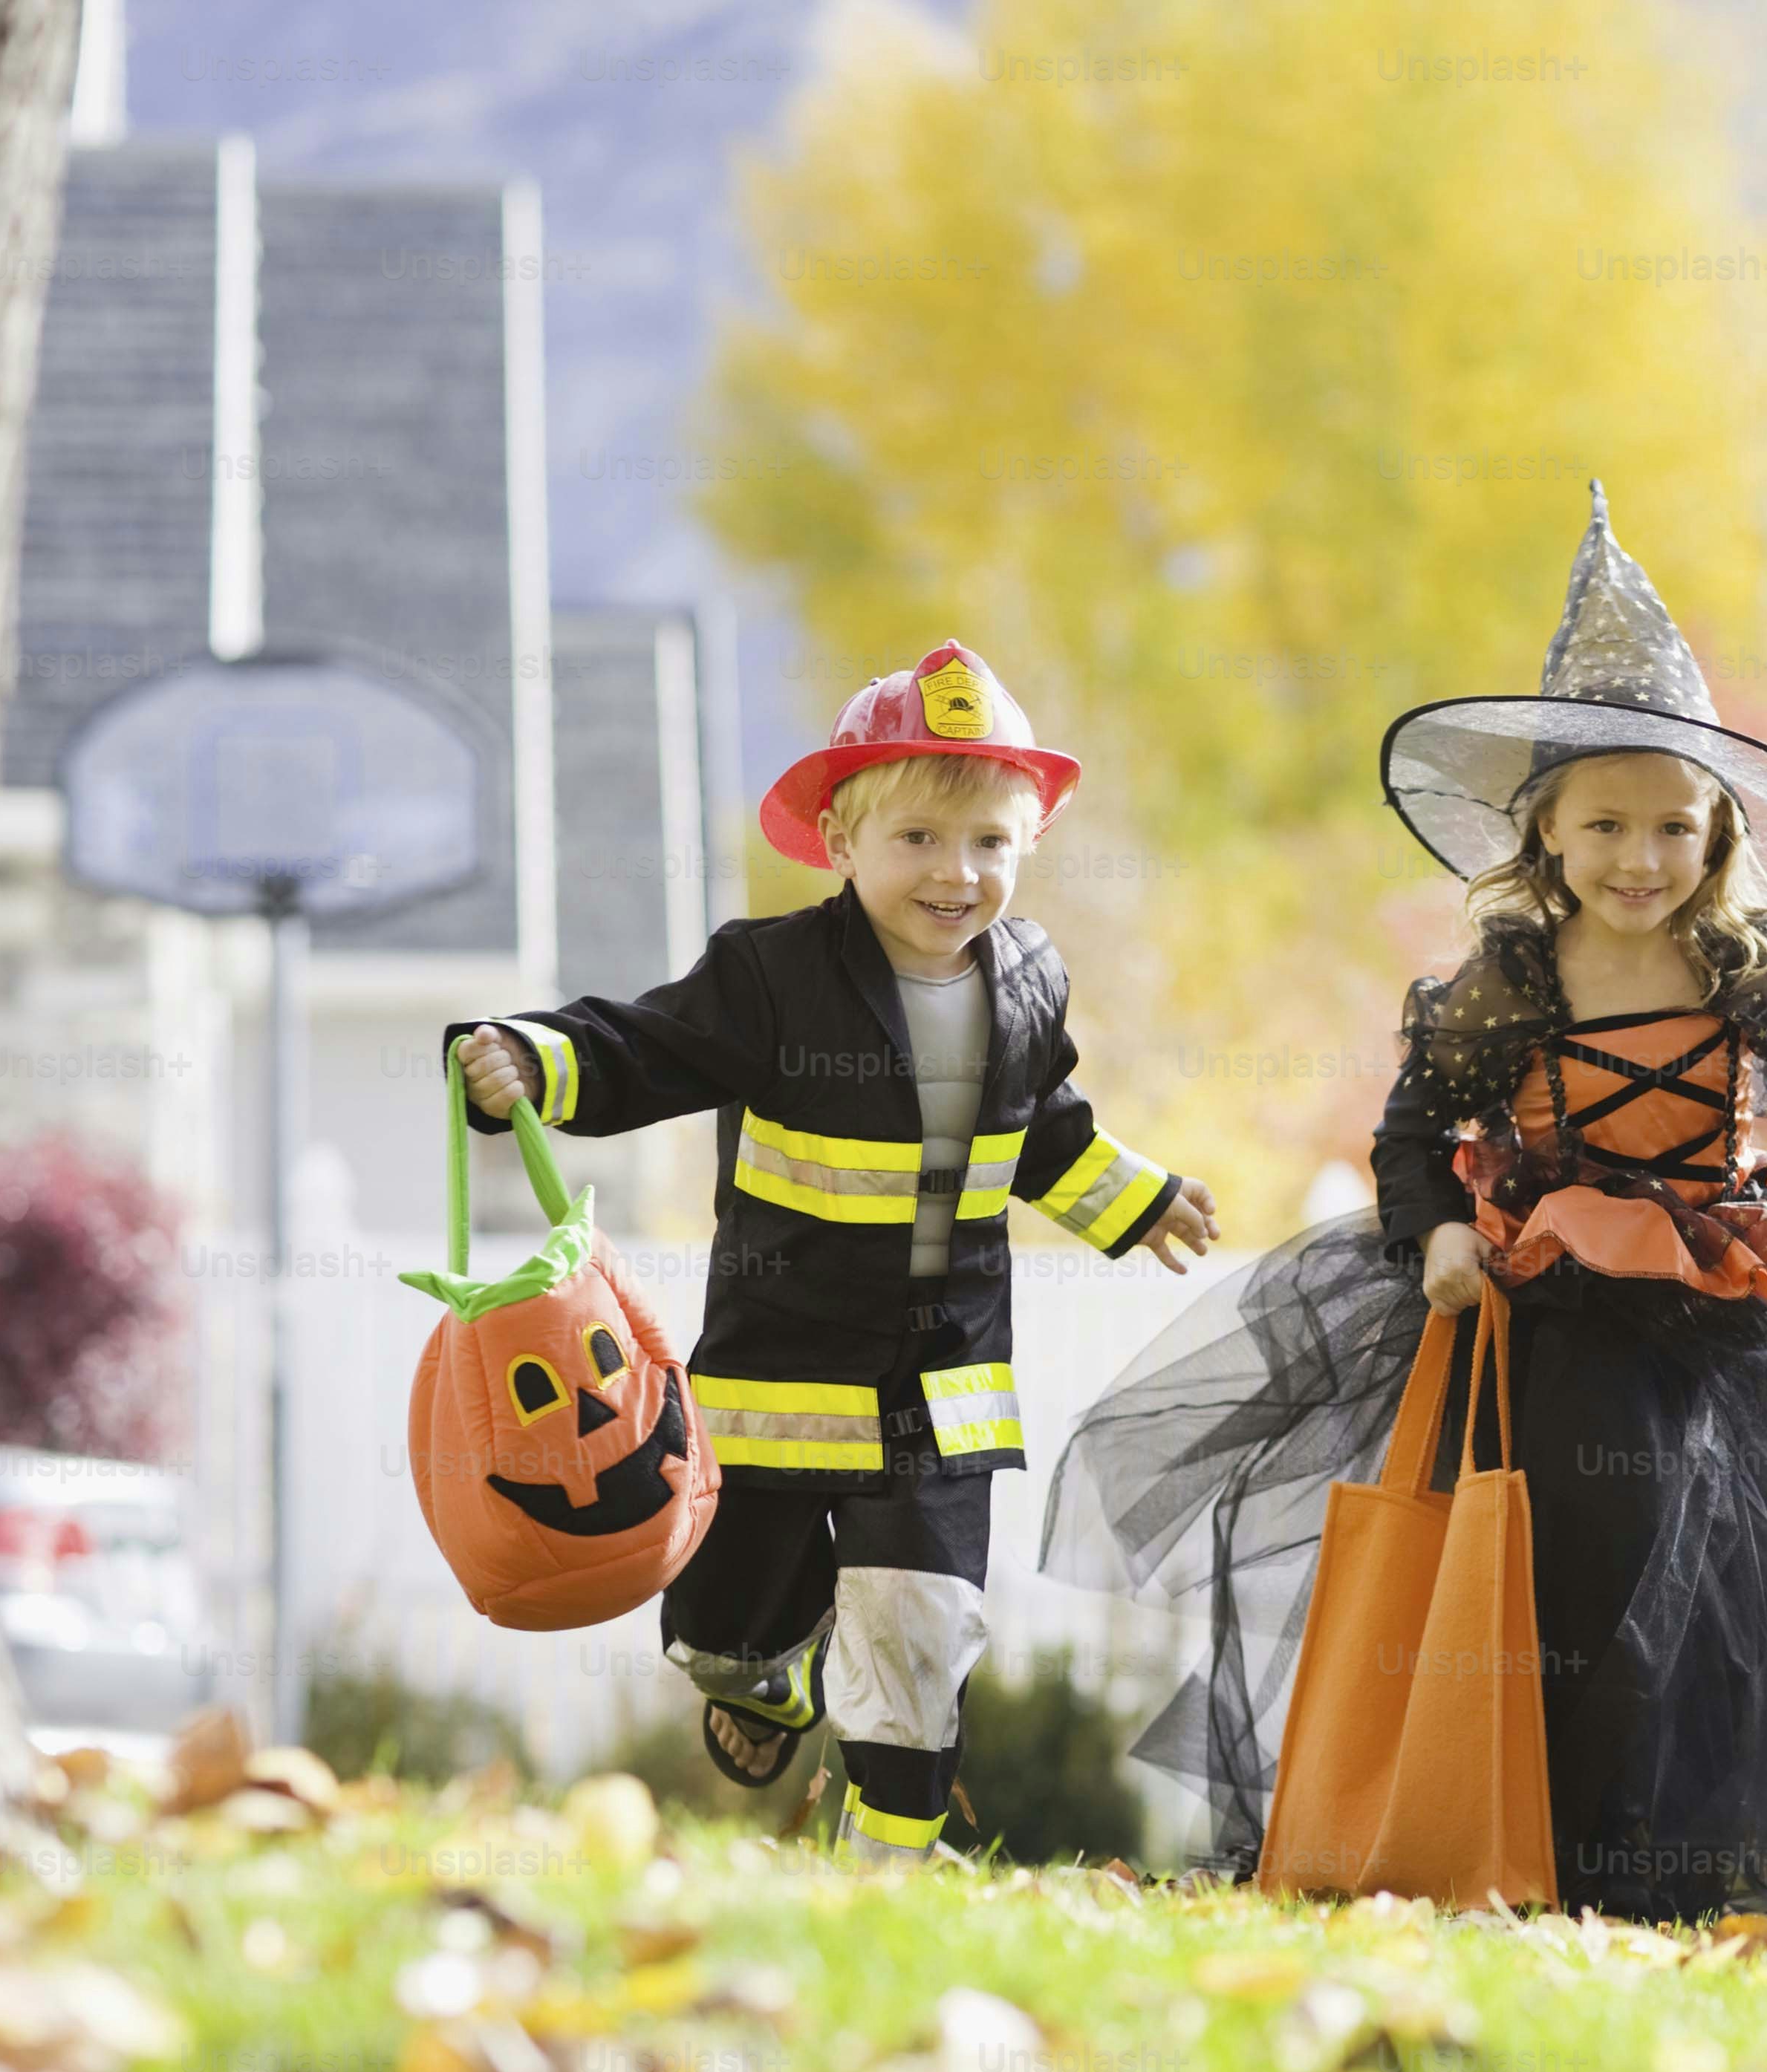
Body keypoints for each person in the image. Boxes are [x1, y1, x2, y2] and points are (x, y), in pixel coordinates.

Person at [1044, 486, 1767, 1920]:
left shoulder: (1751, 975)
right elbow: (1410, 1134)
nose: (1639, 860)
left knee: (1708, 1592)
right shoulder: (1510, 983)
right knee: (1569, 1571)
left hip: (1715, 1325)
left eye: (1672, 829)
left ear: (1715, 837)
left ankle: (1661, 1869)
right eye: (1605, 827)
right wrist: (1437, 1229)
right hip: (1547, 1317)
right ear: (1547, 831)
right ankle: (1530, 1837)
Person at [449, 640, 1215, 1866]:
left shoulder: (1028, 981)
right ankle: (759, 1683)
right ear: (841, 843)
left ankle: (891, 1860)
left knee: (922, 1623)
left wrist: (1143, 1200)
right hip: (780, 1367)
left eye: (989, 845)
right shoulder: (771, 977)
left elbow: (1045, 1130)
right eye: (916, 839)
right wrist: (537, 1060)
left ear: (1024, 850)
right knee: (721, 1621)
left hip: (940, 1384)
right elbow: (650, 1047)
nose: (955, 874)